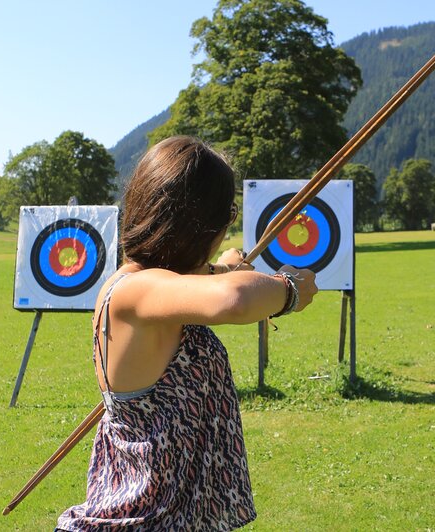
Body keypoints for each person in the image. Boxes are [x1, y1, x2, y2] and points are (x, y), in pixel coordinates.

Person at [56, 136, 318, 531]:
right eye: (227, 215)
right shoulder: (134, 292)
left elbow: (212, 280)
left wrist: (225, 267)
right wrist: (290, 289)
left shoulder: (163, 284)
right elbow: (233, 300)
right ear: (198, 224)